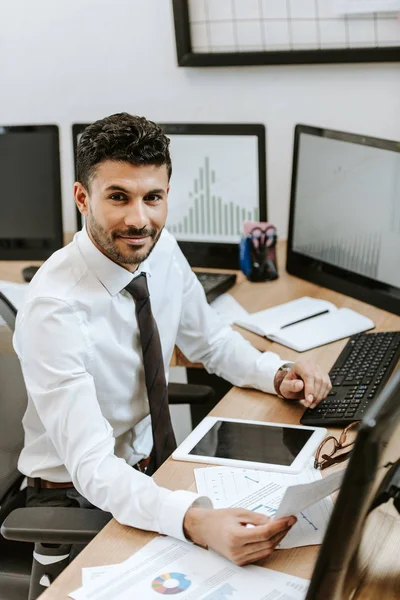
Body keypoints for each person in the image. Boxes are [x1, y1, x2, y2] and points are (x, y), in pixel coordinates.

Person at [14, 113, 331, 566]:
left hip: (151, 471)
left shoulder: (161, 249)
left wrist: (276, 373)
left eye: (153, 197)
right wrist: (197, 522)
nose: (138, 219)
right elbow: (93, 468)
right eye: (118, 197)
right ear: (82, 198)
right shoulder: (54, 309)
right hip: (73, 497)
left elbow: (211, 343)